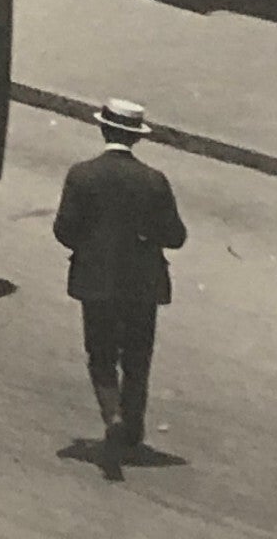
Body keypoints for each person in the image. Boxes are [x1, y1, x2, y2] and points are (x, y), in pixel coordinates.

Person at [53, 98, 188, 480]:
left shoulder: (82, 175)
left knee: (101, 353)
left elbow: (64, 230)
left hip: (96, 280)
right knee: (138, 356)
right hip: (143, 283)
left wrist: (91, 246)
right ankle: (133, 428)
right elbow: (175, 236)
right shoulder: (154, 180)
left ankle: (111, 415)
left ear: (103, 129)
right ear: (137, 138)